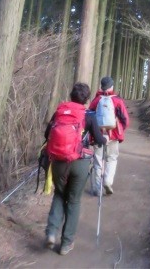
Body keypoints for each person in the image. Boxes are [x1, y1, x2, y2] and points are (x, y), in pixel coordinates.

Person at [44, 82, 108, 256]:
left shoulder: (60, 111)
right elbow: (99, 139)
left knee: (59, 194)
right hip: (80, 163)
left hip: (58, 161)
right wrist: (105, 140)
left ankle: (51, 232)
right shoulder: (89, 115)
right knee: (73, 200)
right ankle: (66, 243)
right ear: (87, 99)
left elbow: (47, 134)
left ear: (71, 95)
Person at [89, 76, 129, 196]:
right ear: (112, 87)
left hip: (98, 135)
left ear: (101, 87)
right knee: (111, 159)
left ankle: (97, 188)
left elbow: (89, 117)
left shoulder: (96, 101)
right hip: (113, 136)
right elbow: (126, 120)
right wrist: (119, 129)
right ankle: (107, 181)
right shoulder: (117, 101)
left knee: (98, 162)